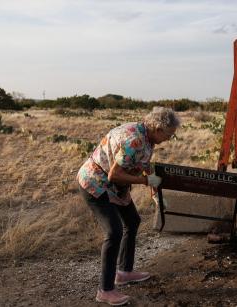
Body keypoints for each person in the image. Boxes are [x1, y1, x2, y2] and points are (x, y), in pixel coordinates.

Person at [77, 107, 180, 306]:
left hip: (115, 187)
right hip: (95, 183)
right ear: (158, 128)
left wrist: (154, 190)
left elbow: (140, 165)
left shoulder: (148, 137)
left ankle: (124, 272)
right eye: (169, 134)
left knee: (132, 221)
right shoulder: (134, 140)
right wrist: (145, 182)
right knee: (114, 232)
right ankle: (105, 290)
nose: (169, 138)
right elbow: (113, 175)